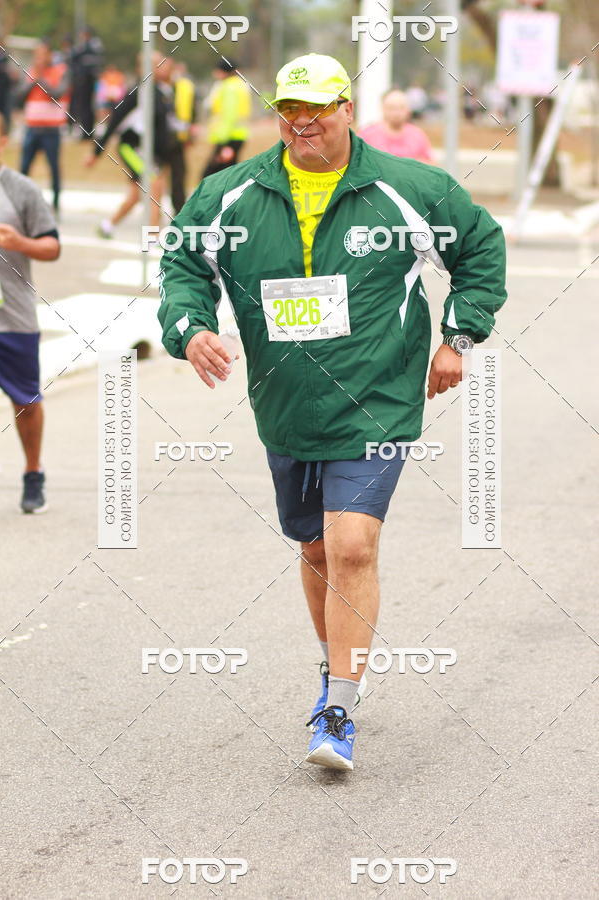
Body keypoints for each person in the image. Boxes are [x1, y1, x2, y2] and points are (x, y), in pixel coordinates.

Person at [158, 53, 507, 771]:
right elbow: (183, 263)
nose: (303, 122)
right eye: (290, 109)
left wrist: (458, 336)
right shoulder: (232, 195)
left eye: (318, 108)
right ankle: (335, 668)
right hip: (285, 402)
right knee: (315, 548)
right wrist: (189, 327)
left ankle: (339, 706)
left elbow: (479, 248)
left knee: (351, 545)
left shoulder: (410, 188)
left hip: (376, 398)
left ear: (349, 108)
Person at [0, 112, 60, 512]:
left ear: (3, 139)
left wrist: (19, 241)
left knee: (25, 401)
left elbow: (52, 247)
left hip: (13, 317)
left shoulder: (19, 189)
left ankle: (33, 473)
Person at [86, 53, 175, 236]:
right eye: (157, 64)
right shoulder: (138, 92)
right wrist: (96, 152)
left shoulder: (161, 93)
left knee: (136, 195)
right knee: (154, 183)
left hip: (151, 152)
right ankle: (153, 235)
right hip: (132, 147)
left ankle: (107, 227)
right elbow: (114, 122)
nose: (162, 68)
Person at [19, 40, 70, 213]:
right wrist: (33, 80)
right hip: (32, 128)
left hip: (51, 130)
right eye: (37, 55)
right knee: (24, 167)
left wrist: (40, 79)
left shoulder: (60, 71)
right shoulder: (30, 73)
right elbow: (19, 98)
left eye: (42, 54)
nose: (39, 58)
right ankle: (20, 203)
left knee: (54, 168)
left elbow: (57, 94)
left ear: (50, 55)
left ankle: (55, 204)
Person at [202, 59, 250, 178]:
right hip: (237, 135)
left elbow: (229, 114)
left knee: (212, 174)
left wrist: (223, 140)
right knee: (229, 172)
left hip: (228, 137)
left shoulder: (229, 87)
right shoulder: (240, 84)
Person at [359, 87, 433, 164]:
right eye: (391, 108)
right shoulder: (367, 135)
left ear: (408, 110)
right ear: (383, 108)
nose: (396, 113)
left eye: (401, 108)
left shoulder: (417, 135)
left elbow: (429, 164)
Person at [163, 61, 196, 214]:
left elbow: (190, 110)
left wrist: (188, 134)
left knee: (178, 176)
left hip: (176, 139)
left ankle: (179, 210)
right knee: (170, 176)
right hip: (167, 138)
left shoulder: (180, 86)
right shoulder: (164, 89)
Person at [69, 26, 104, 138]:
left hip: (89, 81)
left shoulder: (91, 47)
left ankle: (88, 132)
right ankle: (85, 132)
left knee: (88, 107)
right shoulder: (83, 48)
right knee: (83, 107)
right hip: (82, 82)